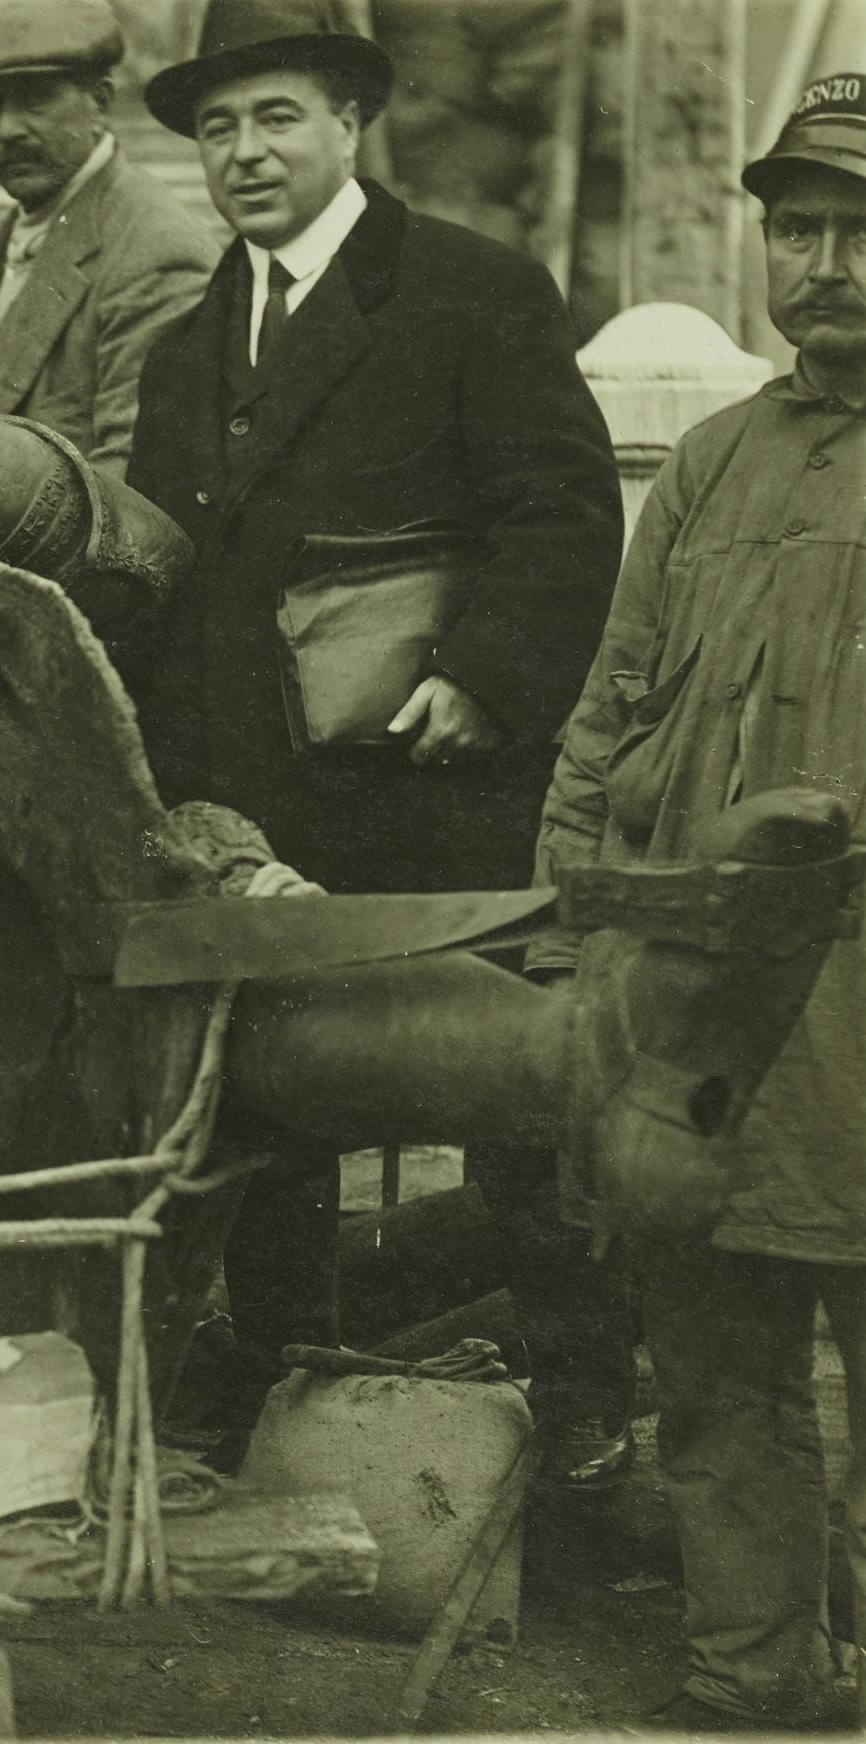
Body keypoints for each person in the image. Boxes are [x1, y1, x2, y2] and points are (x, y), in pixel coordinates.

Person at [123, 0, 624, 1465]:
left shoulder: (469, 290)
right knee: (273, 1105)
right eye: (217, 127)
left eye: (275, 117)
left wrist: (484, 673)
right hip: (258, 810)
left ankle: (587, 1410)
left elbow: (564, 510)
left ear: (351, 120)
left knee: (506, 1103)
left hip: (433, 790)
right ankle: (298, 1396)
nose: (243, 152)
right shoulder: (184, 350)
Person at [539, 76, 866, 1734]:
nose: (826, 261)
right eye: (799, 225)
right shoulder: (717, 459)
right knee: (717, 1369)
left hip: (863, 1014)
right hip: (690, 1013)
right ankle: (758, 1673)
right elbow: (608, 711)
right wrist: (571, 932)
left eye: (861, 226)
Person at [0, 0, 220, 479]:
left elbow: (129, 495)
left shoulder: (157, 252)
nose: (8, 129)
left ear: (100, 102)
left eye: (35, 98)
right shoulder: (30, 221)